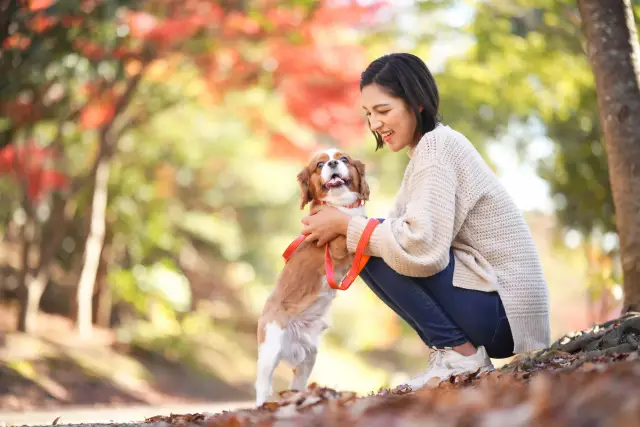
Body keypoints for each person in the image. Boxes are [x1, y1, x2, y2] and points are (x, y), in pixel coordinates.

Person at [300, 52, 551, 390]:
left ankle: (460, 356)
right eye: (369, 114)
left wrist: (346, 225)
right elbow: (400, 234)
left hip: (505, 313)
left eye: (383, 111)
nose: (375, 124)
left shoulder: (437, 148)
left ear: (416, 103)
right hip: (498, 312)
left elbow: (423, 250)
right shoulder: (427, 153)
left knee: (365, 240)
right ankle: (452, 353)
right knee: (367, 238)